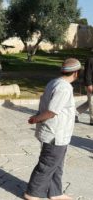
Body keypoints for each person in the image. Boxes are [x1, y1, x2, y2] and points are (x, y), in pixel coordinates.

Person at [24, 58, 81, 200]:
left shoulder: (54, 82)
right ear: (76, 73)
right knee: (47, 164)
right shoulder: (64, 87)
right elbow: (52, 111)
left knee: (57, 164)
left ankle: (55, 192)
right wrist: (35, 119)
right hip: (55, 133)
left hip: (58, 133)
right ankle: (32, 193)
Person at [76, 56, 93, 125]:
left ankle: (74, 112)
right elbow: (87, 74)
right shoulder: (90, 60)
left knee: (89, 102)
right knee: (92, 102)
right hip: (91, 85)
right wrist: (89, 85)